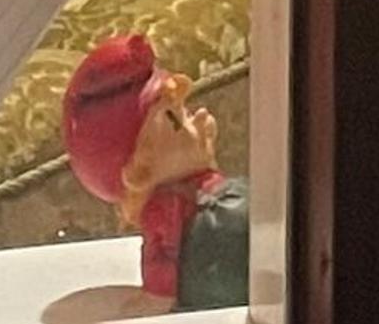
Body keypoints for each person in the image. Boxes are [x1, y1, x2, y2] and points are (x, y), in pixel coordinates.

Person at [59, 24, 250, 309]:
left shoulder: (220, 195)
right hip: (218, 280)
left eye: (185, 111)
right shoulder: (165, 213)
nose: (199, 119)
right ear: (141, 169)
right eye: (177, 121)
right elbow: (162, 262)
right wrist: (155, 300)